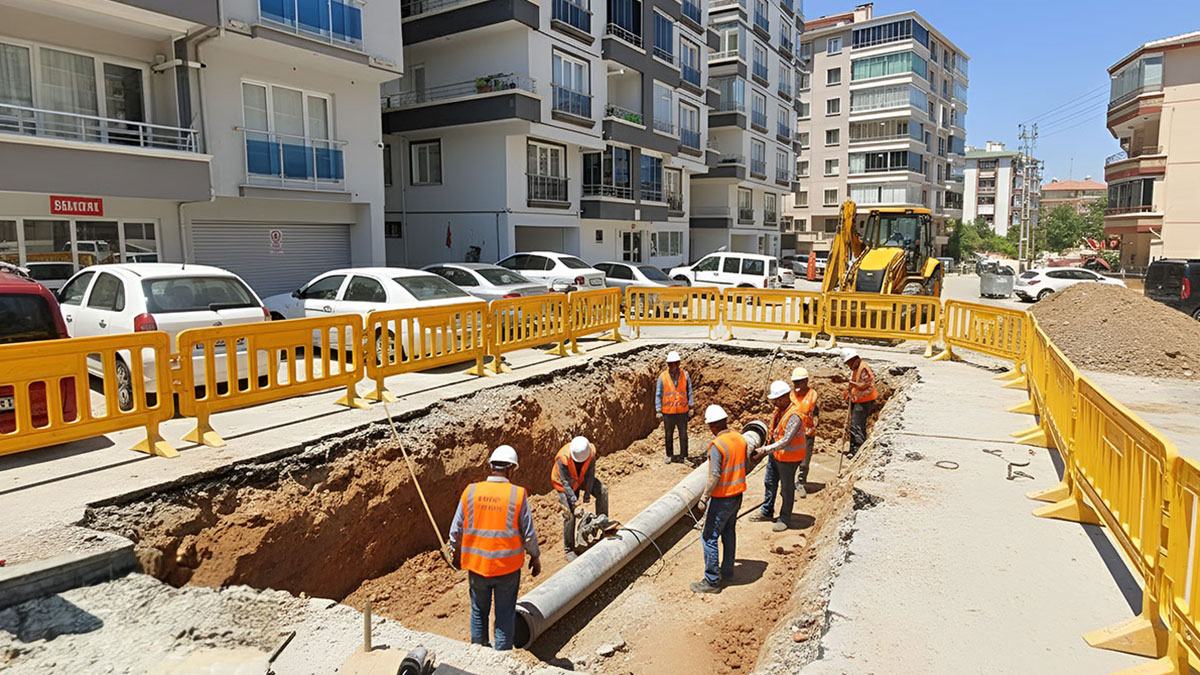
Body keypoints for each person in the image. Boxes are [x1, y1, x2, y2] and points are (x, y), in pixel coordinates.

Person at [447, 445, 541, 650]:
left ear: (491, 467)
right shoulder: (517, 494)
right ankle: (500, 659)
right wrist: (535, 556)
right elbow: (528, 534)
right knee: (504, 614)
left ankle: (479, 654)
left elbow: (455, 530)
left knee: (478, 612)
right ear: (511, 469)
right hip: (507, 568)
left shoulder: (471, 491)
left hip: (477, 566)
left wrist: (454, 551)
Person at [691, 405, 749, 593]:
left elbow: (714, 475)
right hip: (737, 495)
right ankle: (728, 572)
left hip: (722, 498)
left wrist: (704, 498)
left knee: (709, 536)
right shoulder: (740, 439)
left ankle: (712, 581)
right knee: (729, 532)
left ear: (712, 426)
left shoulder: (717, 445)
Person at [750, 380, 812, 532]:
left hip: (789, 458)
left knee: (786, 489)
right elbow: (776, 433)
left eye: (777, 400)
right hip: (776, 454)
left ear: (786, 396)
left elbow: (786, 440)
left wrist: (764, 450)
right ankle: (767, 511)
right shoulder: (780, 411)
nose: (775, 403)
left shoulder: (794, 415)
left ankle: (785, 518)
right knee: (769, 482)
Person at [552, 435, 610, 562]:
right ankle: (569, 548)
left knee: (603, 491)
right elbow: (566, 484)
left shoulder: (590, 452)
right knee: (569, 514)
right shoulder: (563, 458)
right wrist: (575, 504)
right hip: (564, 484)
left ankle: (604, 528)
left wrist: (587, 494)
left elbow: (590, 473)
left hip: (580, 479)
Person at [655, 351, 693, 464]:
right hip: (668, 412)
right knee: (668, 434)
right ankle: (669, 455)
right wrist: (658, 410)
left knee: (683, 434)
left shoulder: (685, 375)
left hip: (682, 411)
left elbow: (689, 391)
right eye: (670, 364)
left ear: (678, 363)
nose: (672, 366)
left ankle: (684, 456)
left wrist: (691, 406)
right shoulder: (663, 377)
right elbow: (658, 394)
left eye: (674, 363)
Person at [842, 350, 878, 457]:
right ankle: (853, 448)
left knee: (857, 425)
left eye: (849, 363)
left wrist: (852, 384)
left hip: (864, 400)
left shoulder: (863, 369)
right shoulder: (856, 368)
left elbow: (864, 385)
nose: (849, 366)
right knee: (853, 425)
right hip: (858, 399)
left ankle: (857, 450)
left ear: (855, 359)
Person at [790, 367, 819, 494]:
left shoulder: (812, 395)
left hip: (807, 433)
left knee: (804, 461)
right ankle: (789, 483)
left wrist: (814, 426)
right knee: (791, 460)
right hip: (792, 433)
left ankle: (801, 482)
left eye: (799, 382)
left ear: (805, 381)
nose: (796, 385)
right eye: (794, 382)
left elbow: (816, 413)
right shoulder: (791, 395)